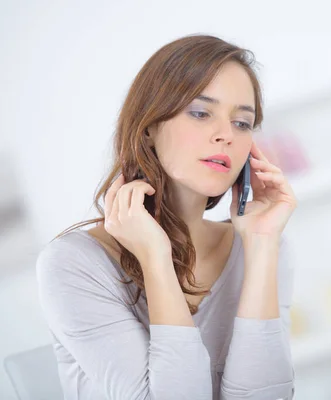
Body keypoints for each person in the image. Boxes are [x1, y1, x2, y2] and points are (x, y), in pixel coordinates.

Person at [35, 34, 297, 400]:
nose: (226, 135)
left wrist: (263, 244)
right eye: (201, 113)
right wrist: (156, 260)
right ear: (149, 127)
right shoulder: (73, 264)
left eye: (242, 123)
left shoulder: (264, 245)